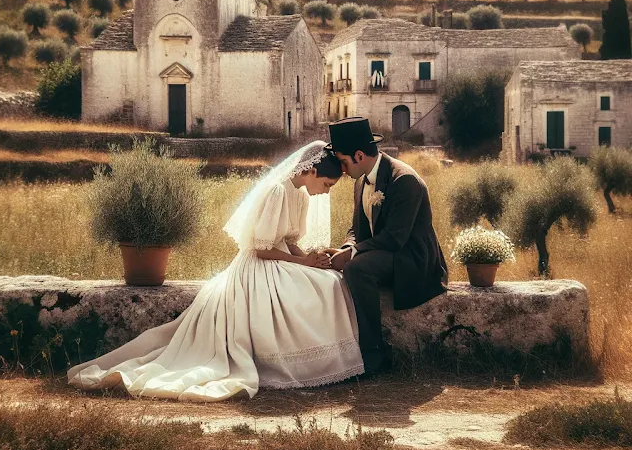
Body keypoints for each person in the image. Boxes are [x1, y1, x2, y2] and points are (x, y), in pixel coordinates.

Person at [67, 141, 364, 401]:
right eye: (326, 185)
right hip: (258, 265)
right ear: (311, 171)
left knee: (329, 281)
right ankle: (293, 363)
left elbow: (288, 240)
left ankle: (326, 362)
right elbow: (259, 248)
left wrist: (311, 259)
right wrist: (302, 263)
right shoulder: (277, 190)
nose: (325, 192)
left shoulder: (300, 194)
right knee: (308, 290)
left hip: (282, 259)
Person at [324, 117, 448, 376]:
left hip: (411, 258)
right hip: (384, 253)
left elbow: (395, 237)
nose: (342, 170)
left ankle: (374, 353)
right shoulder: (361, 180)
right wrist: (345, 247)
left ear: (359, 155)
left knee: (357, 270)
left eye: (344, 162)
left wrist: (353, 254)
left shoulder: (404, 180)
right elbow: (356, 229)